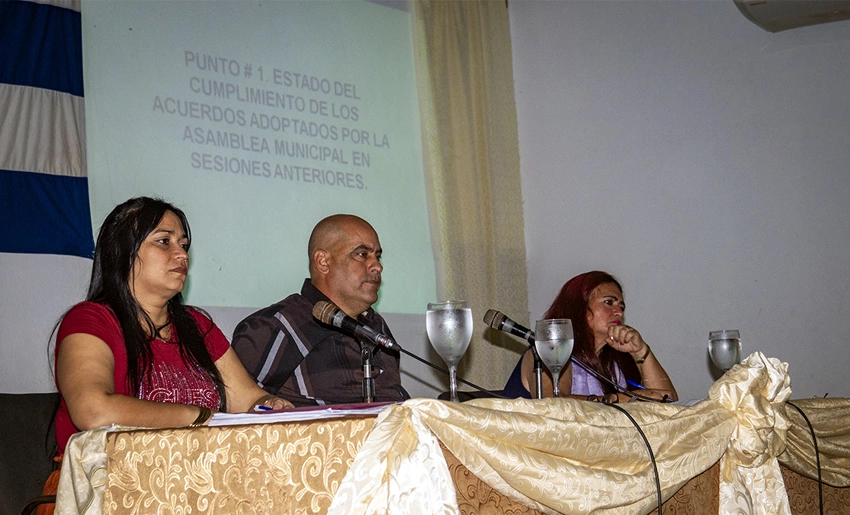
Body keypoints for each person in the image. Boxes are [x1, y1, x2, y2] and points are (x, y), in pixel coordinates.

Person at [53, 197, 293, 455]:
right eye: (163, 241)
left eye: (183, 244)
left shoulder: (197, 325)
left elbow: (248, 399)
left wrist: (270, 404)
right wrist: (199, 417)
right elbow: (94, 411)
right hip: (114, 483)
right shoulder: (90, 320)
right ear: (123, 252)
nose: (181, 254)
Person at [231, 214, 408, 406]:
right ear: (323, 262)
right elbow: (240, 410)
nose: (377, 266)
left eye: (378, 256)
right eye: (362, 254)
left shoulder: (375, 326)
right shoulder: (277, 326)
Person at [503, 271, 678, 402]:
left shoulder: (614, 360)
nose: (618, 312)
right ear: (579, 308)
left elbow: (668, 401)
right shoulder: (550, 350)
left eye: (621, 307)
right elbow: (554, 404)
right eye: (608, 302)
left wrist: (641, 351)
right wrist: (622, 399)